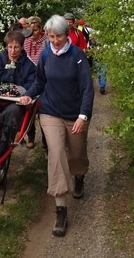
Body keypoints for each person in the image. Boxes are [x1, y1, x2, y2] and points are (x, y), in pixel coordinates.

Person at [18, 15, 95, 237]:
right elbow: (39, 82)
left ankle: (79, 175)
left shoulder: (77, 56)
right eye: (51, 37)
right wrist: (29, 95)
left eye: (58, 36)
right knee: (56, 152)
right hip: (50, 111)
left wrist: (83, 115)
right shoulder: (45, 55)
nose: (54, 41)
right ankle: (60, 208)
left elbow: (87, 89)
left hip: (74, 114)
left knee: (77, 154)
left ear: (66, 34)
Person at [0, 30, 36, 158]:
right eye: (10, 47)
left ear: (22, 47)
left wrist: (19, 92)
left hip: (16, 102)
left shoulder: (29, 66)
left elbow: (32, 84)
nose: (12, 50)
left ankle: (3, 145)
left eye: (16, 47)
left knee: (12, 113)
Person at [23, 15, 49, 148]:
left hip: (43, 79)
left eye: (36, 30)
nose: (33, 33)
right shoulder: (25, 41)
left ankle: (46, 144)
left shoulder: (46, 41)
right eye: (31, 30)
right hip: (30, 79)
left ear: (40, 29)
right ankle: (31, 135)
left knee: (43, 111)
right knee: (28, 108)